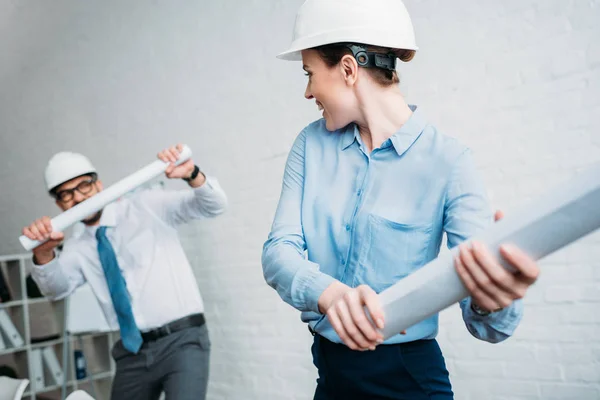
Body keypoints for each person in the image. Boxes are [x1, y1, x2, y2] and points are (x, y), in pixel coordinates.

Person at [262, 1, 540, 399]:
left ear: (347, 69)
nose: (307, 91)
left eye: (310, 74)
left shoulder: (450, 162)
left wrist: (491, 296)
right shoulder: (310, 145)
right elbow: (278, 252)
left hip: (407, 380)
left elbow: (490, 326)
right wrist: (333, 295)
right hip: (331, 374)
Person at [23, 144, 227, 400]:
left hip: (182, 341)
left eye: (83, 186)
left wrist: (192, 174)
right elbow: (55, 290)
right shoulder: (75, 248)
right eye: (66, 194)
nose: (77, 198)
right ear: (59, 203)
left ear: (98, 184)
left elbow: (214, 206)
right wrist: (43, 254)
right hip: (132, 352)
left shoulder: (146, 205)